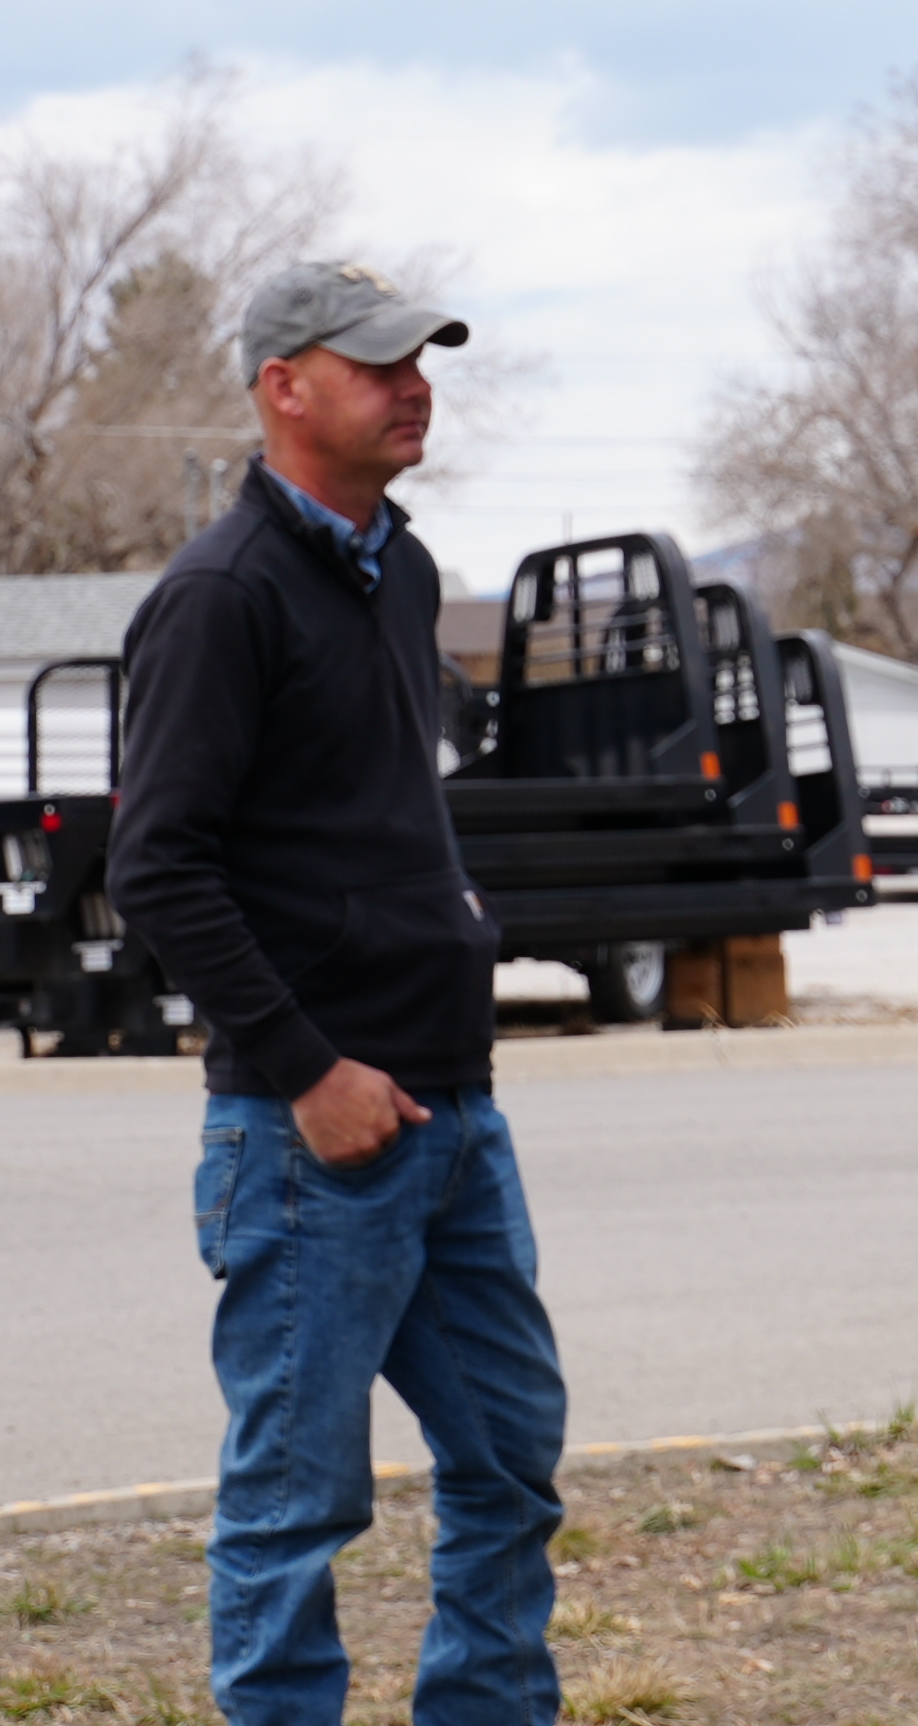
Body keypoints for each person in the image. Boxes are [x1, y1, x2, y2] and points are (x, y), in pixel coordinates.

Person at [104, 261, 562, 1726]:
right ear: (281, 386)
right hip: (313, 1137)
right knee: (299, 1507)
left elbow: (378, 814)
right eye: (376, 363)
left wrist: (461, 926)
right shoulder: (220, 597)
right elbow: (160, 870)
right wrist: (309, 1070)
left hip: (452, 1114)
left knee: (508, 1465)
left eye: (423, 358)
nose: (413, 382)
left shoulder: (404, 570)